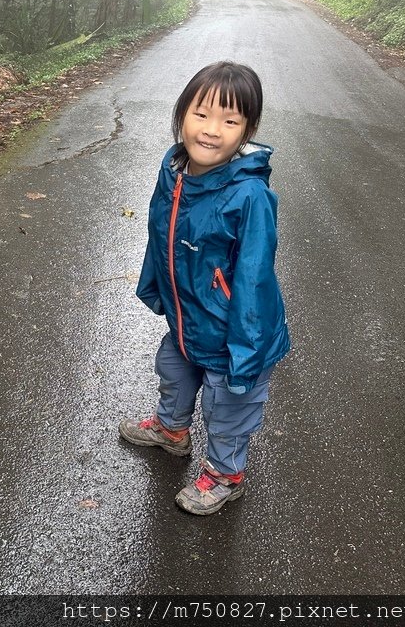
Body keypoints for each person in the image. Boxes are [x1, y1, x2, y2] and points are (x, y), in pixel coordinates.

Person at [121, 61, 291, 516]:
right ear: (182, 114)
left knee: (229, 407)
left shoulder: (249, 196)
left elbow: (254, 279)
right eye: (201, 114)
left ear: (246, 130)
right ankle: (172, 431)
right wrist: (154, 286)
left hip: (235, 336)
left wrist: (247, 355)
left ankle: (224, 474)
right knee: (173, 372)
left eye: (230, 121)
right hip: (187, 317)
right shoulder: (175, 171)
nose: (212, 130)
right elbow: (161, 232)